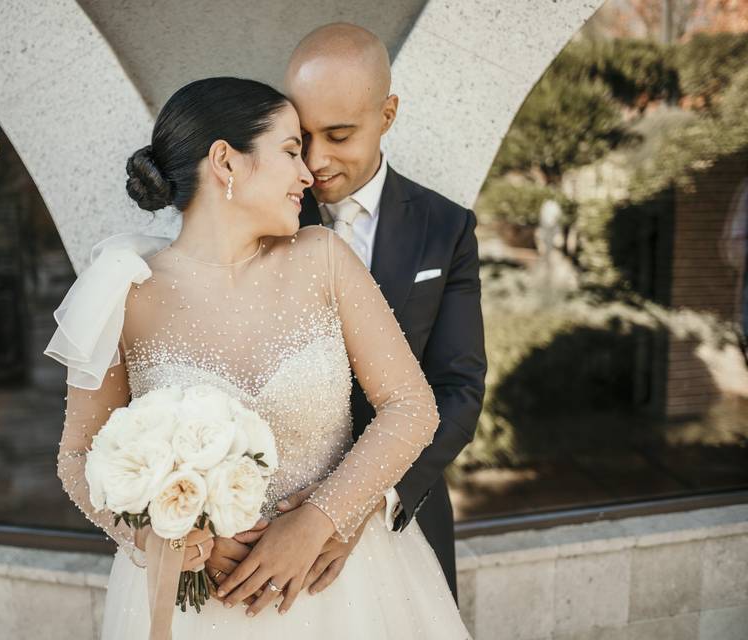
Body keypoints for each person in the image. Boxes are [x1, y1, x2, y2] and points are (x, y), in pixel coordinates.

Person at [45, 76, 470, 638]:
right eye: (291, 151)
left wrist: (320, 520)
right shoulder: (126, 294)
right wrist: (160, 537)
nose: (307, 173)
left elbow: (412, 406)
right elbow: (77, 457)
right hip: (196, 605)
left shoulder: (323, 257)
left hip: (345, 587)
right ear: (225, 160)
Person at [209, 23, 487, 603]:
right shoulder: (256, 214)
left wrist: (360, 504)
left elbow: (459, 388)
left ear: (387, 114)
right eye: (300, 135)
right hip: (259, 533)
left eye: (339, 134)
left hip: (401, 516)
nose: (315, 160)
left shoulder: (447, 227)